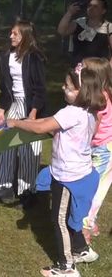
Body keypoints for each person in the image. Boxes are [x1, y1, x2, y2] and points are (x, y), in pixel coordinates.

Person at [7, 66, 102, 276]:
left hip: (68, 177)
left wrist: (15, 123)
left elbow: (43, 128)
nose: (62, 88)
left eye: (68, 87)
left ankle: (66, 266)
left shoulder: (70, 113)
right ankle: (81, 250)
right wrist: (29, 122)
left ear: (81, 92)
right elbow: (48, 124)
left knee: (59, 220)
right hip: (83, 173)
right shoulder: (90, 112)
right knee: (72, 216)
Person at [0, 20, 47, 206]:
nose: (11, 36)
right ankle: (4, 185)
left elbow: (40, 89)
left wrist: (33, 114)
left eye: (15, 34)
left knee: (29, 149)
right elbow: (4, 88)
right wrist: (1, 111)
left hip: (31, 106)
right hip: (15, 104)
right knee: (7, 143)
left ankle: (28, 190)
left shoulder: (34, 57)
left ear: (25, 36)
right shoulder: (5, 56)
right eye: (11, 33)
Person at [81, 57, 112, 242]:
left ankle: (85, 228)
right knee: (98, 186)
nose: (78, 71)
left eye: (82, 69)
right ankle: (90, 222)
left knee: (93, 188)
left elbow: (93, 128)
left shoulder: (99, 100)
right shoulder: (105, 94)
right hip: (105, 148)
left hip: (102, 150)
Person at [57, 0, 112, 65]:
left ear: (103, 11)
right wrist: (69, 13)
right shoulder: (79, 22)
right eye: (89, 6)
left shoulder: (108, 28)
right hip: (78, 68)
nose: (91, 8)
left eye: (95, 6)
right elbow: (61, 31)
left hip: (98, 71)